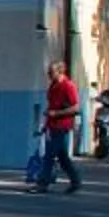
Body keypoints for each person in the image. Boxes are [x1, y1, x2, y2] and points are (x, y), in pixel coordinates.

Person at [37, 63, 84, 193]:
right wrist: (46, 121)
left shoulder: (68, 86)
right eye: (48, 72)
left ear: (60, 71)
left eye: (51, 72)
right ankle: (75, 181)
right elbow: (52, 105)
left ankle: (42, 183)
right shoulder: (53, 85)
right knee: (62, 157)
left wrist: (56, 113)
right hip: (52, 125)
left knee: (49, 155)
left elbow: (76, 108)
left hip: (62, 125)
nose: (49, 75)